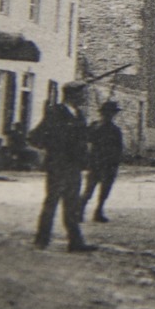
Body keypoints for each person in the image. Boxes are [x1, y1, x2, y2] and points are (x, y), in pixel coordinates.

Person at [27, 80, 94, 252]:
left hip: (74, 166)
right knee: (52, 202)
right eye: (82, 94)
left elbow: (81, 138)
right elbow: (37, 136)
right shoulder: (55, 112)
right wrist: (54, 149)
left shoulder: (79, 114)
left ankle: (75, 242)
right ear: (72, 95)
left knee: (71, 205)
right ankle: (41, 240)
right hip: (58, 165)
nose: (84, 97)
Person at [80, 100, 124, 224]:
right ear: (103, 113)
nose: (110, 116)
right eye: (108, 113)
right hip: (96, 163)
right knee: (89, 190)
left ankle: (98, 211)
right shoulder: (95, 126)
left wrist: (116, 163)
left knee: (104, 191)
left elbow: (119, 148)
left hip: (109, 164)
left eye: (112, 113)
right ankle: (79, 212)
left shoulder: (115, 130)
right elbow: (86, 139)